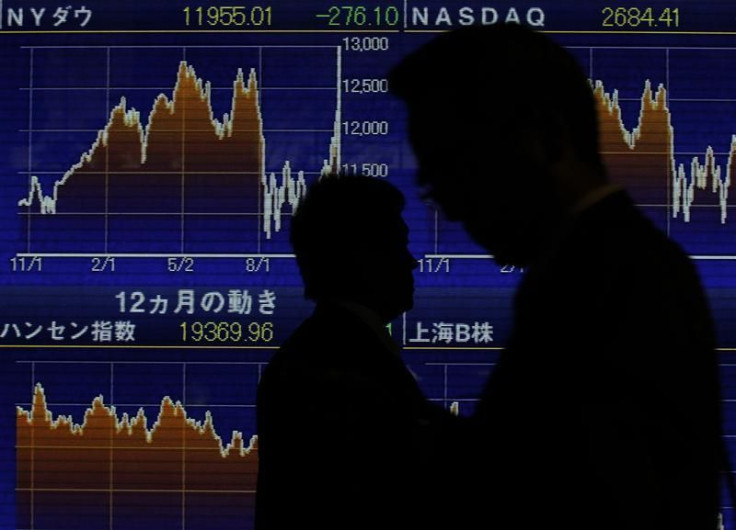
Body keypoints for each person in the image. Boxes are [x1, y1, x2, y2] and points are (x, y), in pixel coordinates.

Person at [389, 24, 725, 530]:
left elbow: (584, 499)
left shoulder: (608, 278)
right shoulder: (611, 266)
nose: (451, 209)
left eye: (456, 169)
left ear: (543, 139)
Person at [254, 175, 454, 530]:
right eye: (399, 245)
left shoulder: (325, 350)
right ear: (361, 256)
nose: (412, 262)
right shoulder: (333, 369)